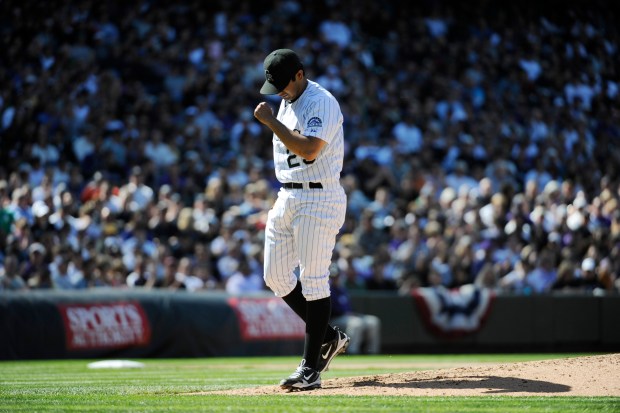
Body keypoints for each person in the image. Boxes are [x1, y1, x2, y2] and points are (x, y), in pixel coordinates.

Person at [254, 48, 350, 391]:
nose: (278, 90)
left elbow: (309, 149)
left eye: (282, 83)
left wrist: (271, 122)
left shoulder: (321, 101)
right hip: (288, 194)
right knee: (276, 276)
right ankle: (328, 337)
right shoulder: (286, 98)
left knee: (313, 280)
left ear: (299, 74)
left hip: (319, 196)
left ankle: (311, 369)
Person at [329, 264, 381, 355]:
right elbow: (331, 311)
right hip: (335, 319)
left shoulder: (342, 289)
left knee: (373, 321)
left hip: (349, 316)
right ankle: (353, 352)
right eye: (333, 277)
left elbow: (349, 307)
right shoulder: (327, 290)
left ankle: (372, 352)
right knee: (356, 324)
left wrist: (352, 313)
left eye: (337, 276)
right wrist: (346, 314)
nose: (335, 279)